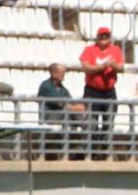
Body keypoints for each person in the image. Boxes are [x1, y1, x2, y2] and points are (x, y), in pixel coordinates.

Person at [78, 26, 122, 157]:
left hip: (109, 91)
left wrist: (113, 65)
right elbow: (86, 67)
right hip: (92, 91)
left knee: (108, 123)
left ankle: (105, 152)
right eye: (101, 36)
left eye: (106, 36)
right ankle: (89, 151)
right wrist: (103, 66)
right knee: (91, 122)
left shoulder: (115, 50)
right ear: (97, 37)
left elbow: (121, 67)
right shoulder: (89, 50)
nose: (103, 39)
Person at [35, 62, 84, 155]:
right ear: (53, 73)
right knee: (72, 113)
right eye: (61, 72)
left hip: (63, 115)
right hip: (50, 116)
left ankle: (82, 141)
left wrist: (78, 106)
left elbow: (70, 101)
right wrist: (75, 108)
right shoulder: (46, 86)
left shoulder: (62, 89)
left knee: (78, 115)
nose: (63, 75)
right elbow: (59, 103)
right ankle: (80, 142)